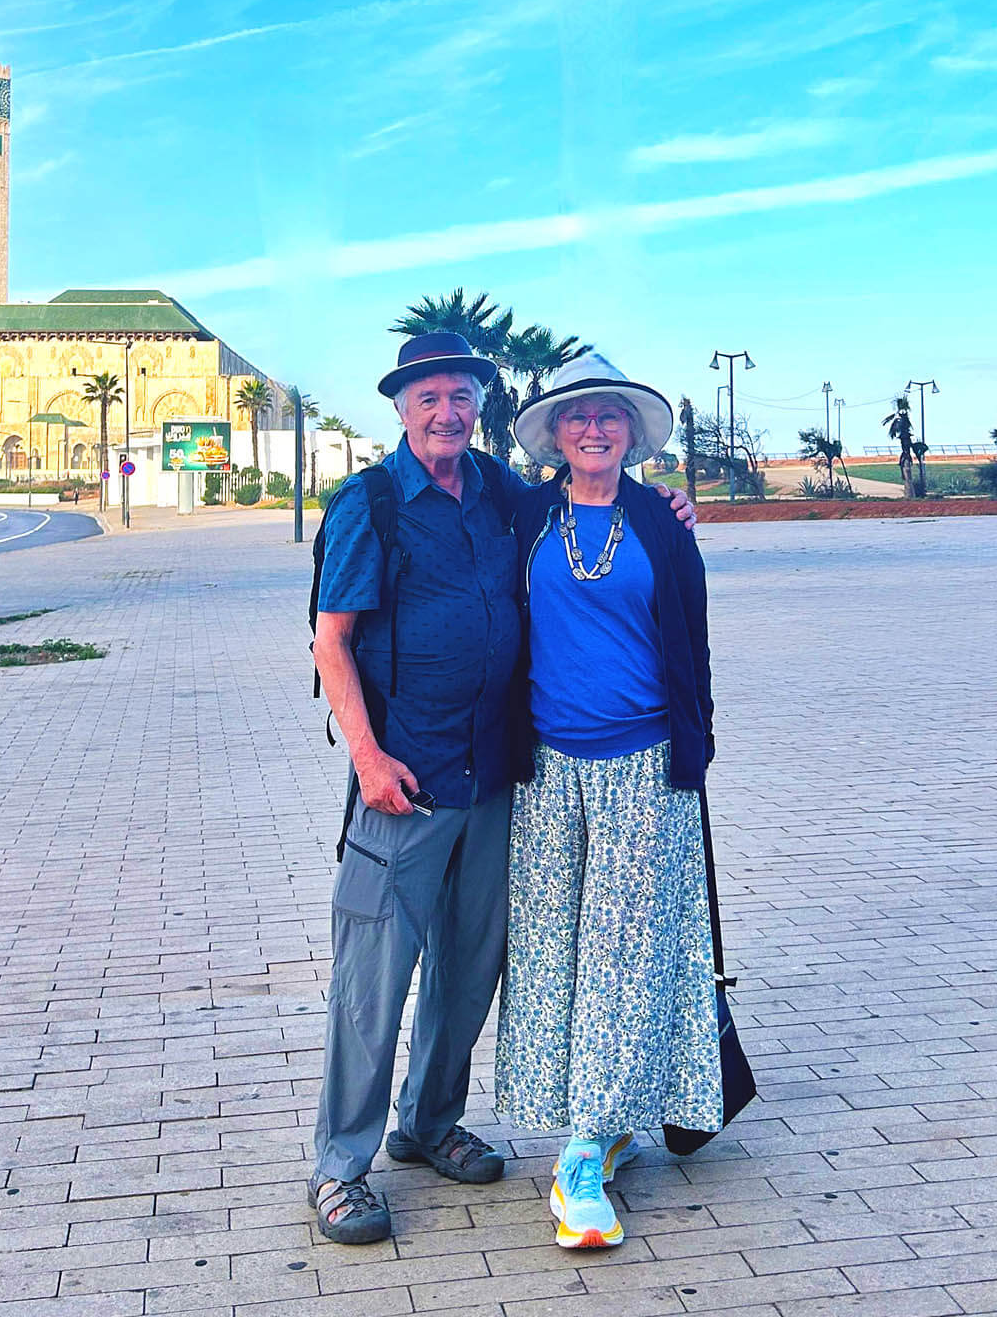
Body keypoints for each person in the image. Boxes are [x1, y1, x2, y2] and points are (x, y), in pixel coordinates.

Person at [309, 333, 695, 1245]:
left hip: (495, 777)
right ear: (402, 409)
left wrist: (667, 501)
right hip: (404, 779)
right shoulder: (370, 503)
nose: (448, 413)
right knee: (375, 977)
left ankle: (429, 1122)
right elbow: (331, 641)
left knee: (468, 968)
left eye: (462, 397)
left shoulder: (501, 493)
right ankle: (338, 1167)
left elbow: (593, 504)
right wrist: (366, 758)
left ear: (481, 407)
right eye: (429, 398)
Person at [495, 353, 722, 1251]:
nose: (594, 431)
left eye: (610, 419)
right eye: (578, 419)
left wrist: (695, 750)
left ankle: (584, 1154)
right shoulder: (523, 517)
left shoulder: (663, 524)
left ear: (632, 435)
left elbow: (693, 640)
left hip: (644, 762)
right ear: (554, 435)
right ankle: (595, 1110)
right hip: (546, 765)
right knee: (553, 950)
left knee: (626, 955)